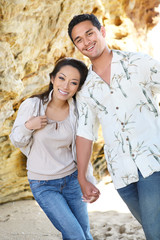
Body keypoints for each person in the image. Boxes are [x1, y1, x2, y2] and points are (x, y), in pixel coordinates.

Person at [68, 13, 160, 240]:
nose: (86, 42)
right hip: (121, 173)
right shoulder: (85, 88)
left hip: (152, 161)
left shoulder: (139, 62)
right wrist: (82, 177)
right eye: (79, 39)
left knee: (154, 232)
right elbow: (85, 132)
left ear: (103, 32)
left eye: (90, 33)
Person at [10, 57, 94, 240]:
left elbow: (83, 148)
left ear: (78, 87)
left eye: (74, 82)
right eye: (62, 78)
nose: (66, 86)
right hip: (44, 185)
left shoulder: (77, 112)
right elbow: (16, 139)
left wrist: (89, 180)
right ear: (52, 79)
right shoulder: (33, 105)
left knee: (84, 233)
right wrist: (28, 126)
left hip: (72, 181)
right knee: (75, 235)